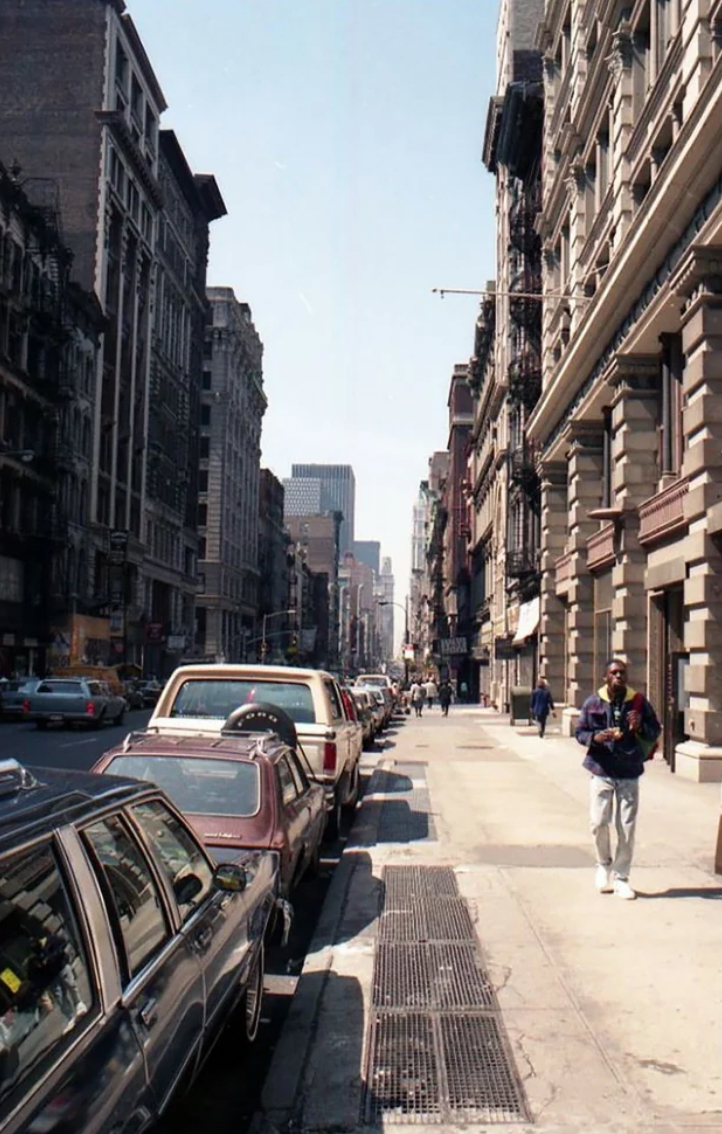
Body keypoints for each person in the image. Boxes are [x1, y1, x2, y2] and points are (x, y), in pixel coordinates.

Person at [575, 658, 660, 900]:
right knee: (599, 821)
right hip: (601, 769)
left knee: (627, 827)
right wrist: (595, 738)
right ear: (606, 677)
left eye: (622, 673)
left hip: (629, 770)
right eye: (614, 673)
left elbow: (655, 731)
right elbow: (579, 732)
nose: (619, 677)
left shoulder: (638, 702)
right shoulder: (594, 702)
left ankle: (622, 877)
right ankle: (603, 864)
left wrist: (641, 725)